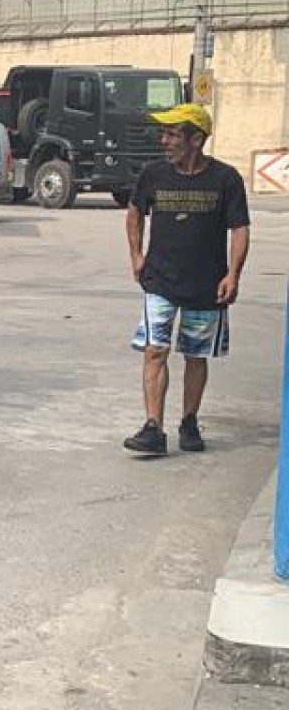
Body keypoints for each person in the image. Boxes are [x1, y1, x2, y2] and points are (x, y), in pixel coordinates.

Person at [123, 103, 249, 456]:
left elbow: (240, 228)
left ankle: (189, 421)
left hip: (206, 285)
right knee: (155, 351)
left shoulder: (226, 178)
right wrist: (136, 255)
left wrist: (233, 274)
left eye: (172, 134)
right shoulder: (153, 174)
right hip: (160, 280)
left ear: (197, 139)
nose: (164, 141)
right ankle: (153, 428)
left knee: (195, 355)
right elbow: (134, 214)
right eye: (164, 134)